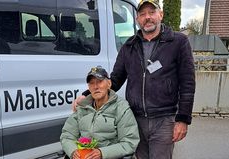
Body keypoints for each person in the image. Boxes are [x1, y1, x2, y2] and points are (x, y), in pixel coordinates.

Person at [74, 0, 196, 159]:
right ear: (137, 19)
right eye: (142, 14)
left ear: (161, 14)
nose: (148, 17)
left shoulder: (178, 42)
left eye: (152, 12)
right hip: (134, 120)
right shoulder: (129, 46)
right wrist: (87, 96)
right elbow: (115, 80)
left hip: (164, 119)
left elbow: (188, 82)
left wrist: (183, 119)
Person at [60, 66, 140, 159]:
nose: (96, 86)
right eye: (91, 83)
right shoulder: (82, 107)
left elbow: (129, 142)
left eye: (100, 82)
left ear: (109, 84)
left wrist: (102, 153)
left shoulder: (121, 108)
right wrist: (73, 151)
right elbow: (67, 135)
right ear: (88, 88)